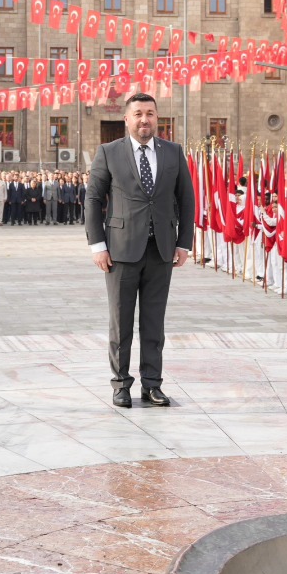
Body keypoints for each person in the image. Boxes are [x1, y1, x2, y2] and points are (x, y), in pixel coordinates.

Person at [86, 93, 195, 408]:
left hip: (161, 250)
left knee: (154, 322)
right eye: (138, 114)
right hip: (119, 252)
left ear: (157, 118)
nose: (144, 119)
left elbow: (186, 199)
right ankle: (121, 384)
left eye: (150, 113)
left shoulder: (173, 152)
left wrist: (184, 243)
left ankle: (152, 384)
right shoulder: (109, 152)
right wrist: (97, 246)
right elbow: (93, 199)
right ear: (127, 119)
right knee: (121, 323)